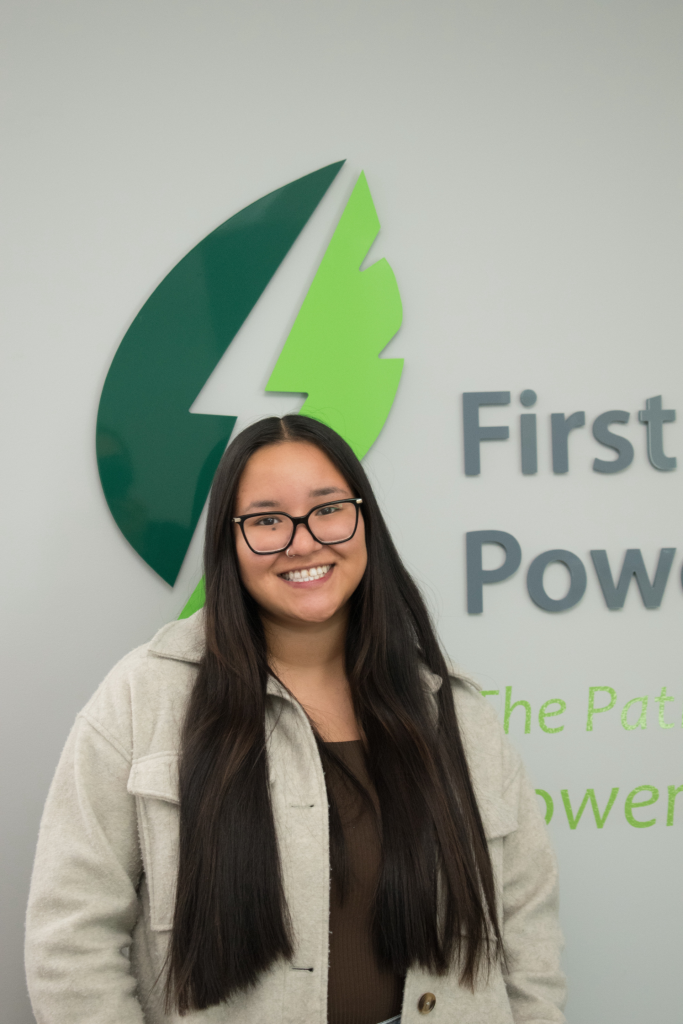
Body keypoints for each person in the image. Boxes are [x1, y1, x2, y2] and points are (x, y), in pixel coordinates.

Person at [25, 414, 566, 1024]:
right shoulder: (142, 697)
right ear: (229, 542)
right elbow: (71, 941)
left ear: (365, 520)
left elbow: (527, 933)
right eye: (266, 521)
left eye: (328, 508)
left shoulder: (453, 709)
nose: (303, 542)